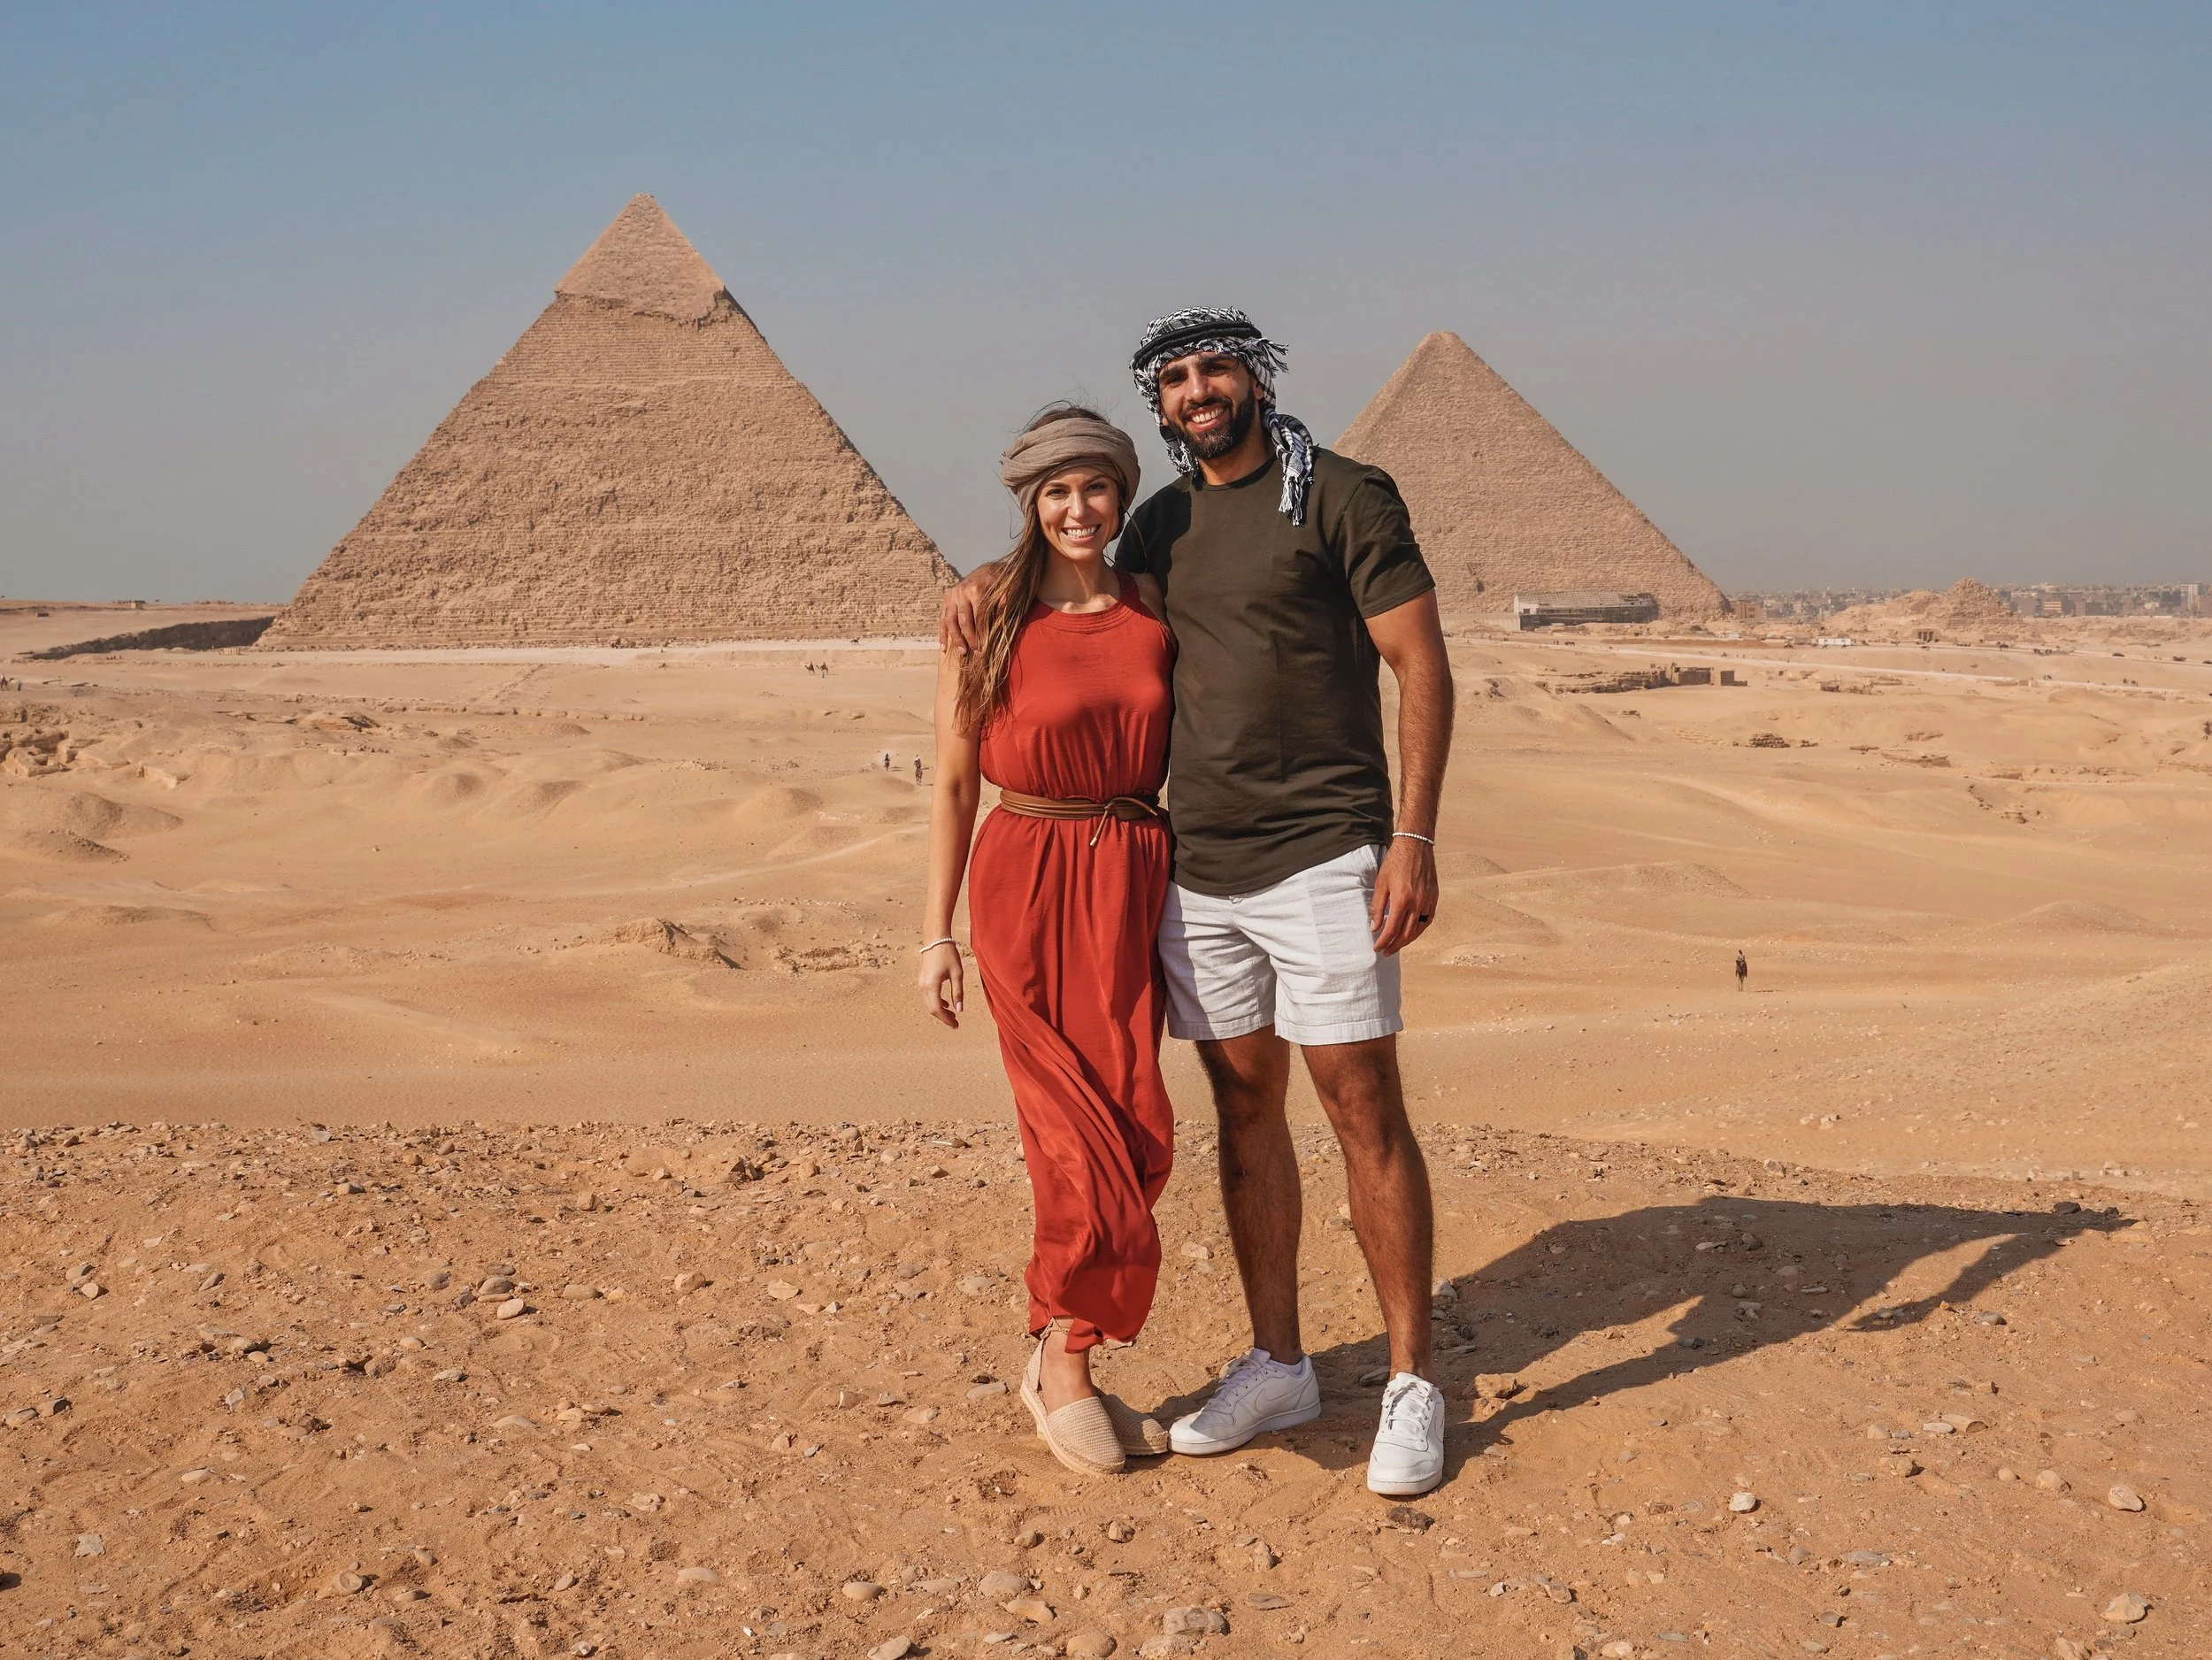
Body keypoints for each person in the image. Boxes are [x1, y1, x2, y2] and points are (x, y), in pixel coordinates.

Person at [941, 309, 1456, 1497]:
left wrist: (1412, 837)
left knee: (1359, 1096)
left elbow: (1419, 664)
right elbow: (1065, 584)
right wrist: (982, 572)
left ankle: (1411, 1379)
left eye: (1215, 368)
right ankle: (1279, 1363)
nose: (1197, 391)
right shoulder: (1159, 524)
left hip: (1327, 847)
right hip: (1199, 869)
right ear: (1159, 407)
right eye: (1173, 379)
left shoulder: (1341, 493)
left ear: (1256, 377)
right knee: (1243, 1107)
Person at [918, 405, 1177, 1477]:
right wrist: (933, 935)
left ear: (1122, 497)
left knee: (1135, 1122)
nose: (1079, 508)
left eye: (1098, 488)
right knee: (1065, 1131)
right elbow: (950, 779)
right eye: (1057, 491)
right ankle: (1063, 1355)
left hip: (1132, 877)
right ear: (1029, 501)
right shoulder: (985, 610)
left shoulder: (1154, 608)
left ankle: (1064, 1337)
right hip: (1025, 877)